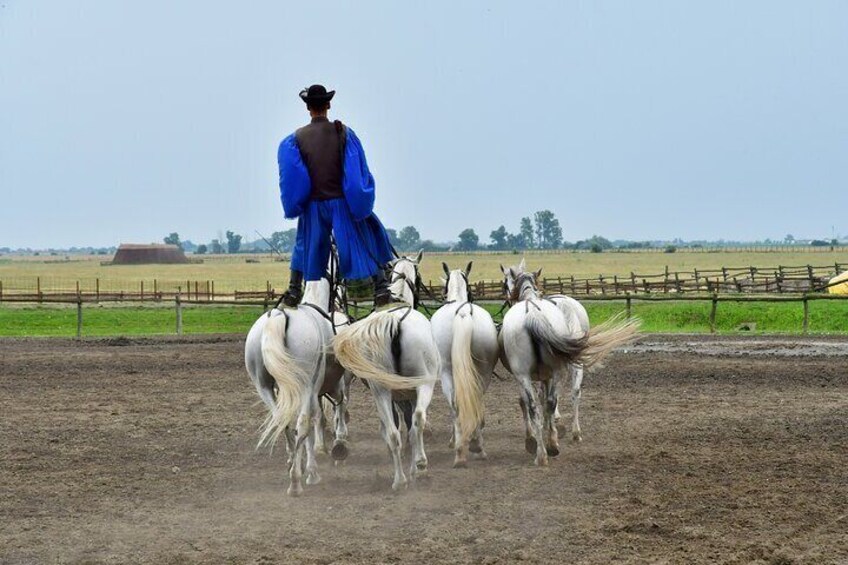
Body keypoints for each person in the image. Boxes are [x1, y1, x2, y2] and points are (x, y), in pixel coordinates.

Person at [277, 84, 395, 307]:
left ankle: (293, 290)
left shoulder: (295, 140)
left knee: (304, 242)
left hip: (313, 206)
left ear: (308, 108)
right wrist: (359, 202)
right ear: (328, 105)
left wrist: (300, 203)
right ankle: (380, 287)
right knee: (363, 233)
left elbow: (294, 177)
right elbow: (354, 175)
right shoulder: (345, 134)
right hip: (341, 202)